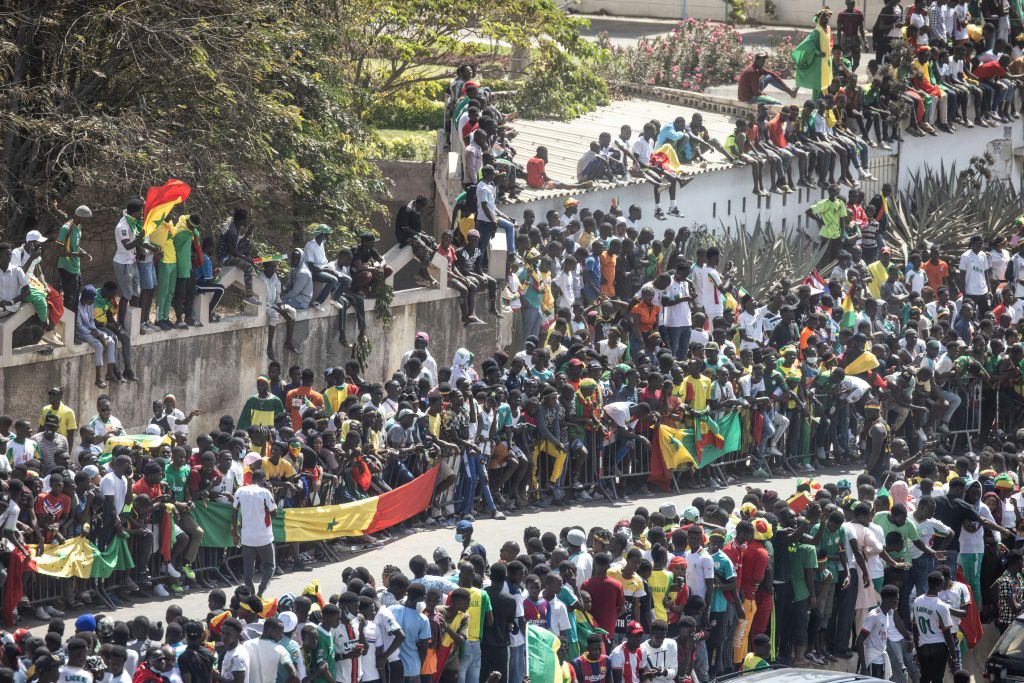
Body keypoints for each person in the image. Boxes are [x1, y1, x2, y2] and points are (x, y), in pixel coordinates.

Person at [232, 469, 278, 597]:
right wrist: (272, 492)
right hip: (264, 537)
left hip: (247, 537)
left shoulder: (240, 491)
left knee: (248, 570)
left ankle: (251, 594)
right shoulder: (265, 492)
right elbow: (274, 513)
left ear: (252, 479)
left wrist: (235, 530)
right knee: (269, 566)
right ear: (263, 480)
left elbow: (234, 511)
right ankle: (261, 591)